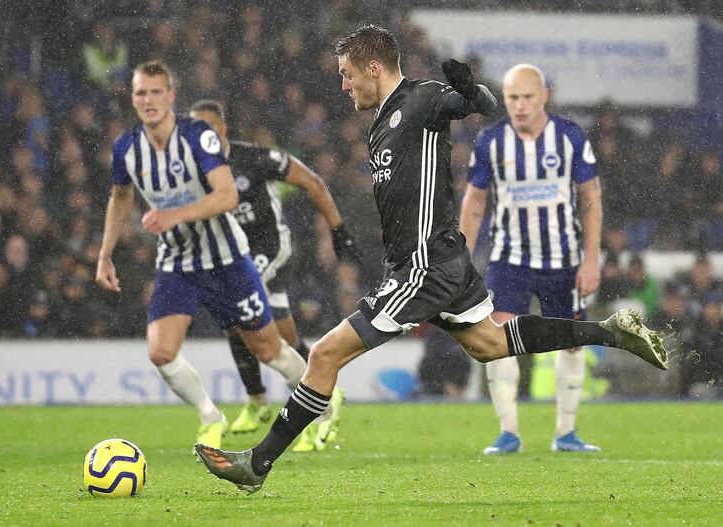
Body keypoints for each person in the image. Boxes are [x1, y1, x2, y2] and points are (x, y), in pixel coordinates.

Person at [194, 25, 669, 494]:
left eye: (347, 74)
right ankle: (610, 332)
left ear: (373, 68)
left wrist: (469, 89)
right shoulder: (382, 119)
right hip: (437, 260)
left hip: (422, 267)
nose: (344, 85)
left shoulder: (420, 98)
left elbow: (478, 105)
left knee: (323, 354)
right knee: (490, 344)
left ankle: (257, 463)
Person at [95, 60, 310, 450]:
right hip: (178, 263)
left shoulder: (198, 137)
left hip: (228, 259)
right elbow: (120, 197)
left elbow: (227, 195)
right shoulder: (127, 147)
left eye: (156, 91)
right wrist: (105, 254)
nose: (148, 100)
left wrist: (173, 215)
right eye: (141, 92)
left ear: (171, 96)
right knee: (160, 352)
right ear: (133, 98)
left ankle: (318, 407)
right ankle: (210, 415)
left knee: (269, 350)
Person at [188, 99, 358, 451]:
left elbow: (312, 181)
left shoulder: (254, 158)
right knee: (283, 336)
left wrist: (338, 230)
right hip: (236, 255)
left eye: (204, 128)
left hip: (271, 250)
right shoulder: (194, 170)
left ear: (222, 130)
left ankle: (261, 401)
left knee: (238, 314)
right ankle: (324, 394)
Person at [458, 63, 604, 454]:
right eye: (512, 98)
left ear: (543, 97)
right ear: (504, 99)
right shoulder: (491, 141)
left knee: (571, 342)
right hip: (510, 259)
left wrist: (591, 260)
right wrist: (461, 261)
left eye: (527, 97)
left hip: (564, 259)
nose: (520, 106)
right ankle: (509, 433)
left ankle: (565, 433)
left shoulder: (570, 137)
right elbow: (474, 204)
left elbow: (591, 199)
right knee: (496, 337)